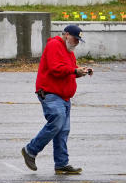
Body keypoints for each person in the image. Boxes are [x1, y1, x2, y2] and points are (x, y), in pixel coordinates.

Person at [21, 24, 92, 175]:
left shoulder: (69, 52)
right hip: (50, 93)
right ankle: (30, 150)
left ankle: (61, 164)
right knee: (57, 121)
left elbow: (69, 72)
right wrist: (74, 70)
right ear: (66, 35)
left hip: (64, 96)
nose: (76, 42)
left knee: (63, 130)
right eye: (75, 39)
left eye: (79, 40)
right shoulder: (54, 45)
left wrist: (81, 72)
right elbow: (55, 68)